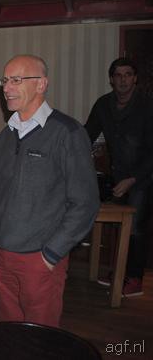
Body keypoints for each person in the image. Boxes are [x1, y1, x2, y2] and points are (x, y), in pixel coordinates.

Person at [0, 55, 99, 327]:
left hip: (40, 259)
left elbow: (85, 203)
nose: (6, 88)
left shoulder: (67, 132)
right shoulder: (6, 135)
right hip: (1, 254)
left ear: (41, 84)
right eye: (5, 80)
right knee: (9, 333)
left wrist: (51, 254)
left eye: (16, 80)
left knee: (39, 338)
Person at [84, 58, 153, 297]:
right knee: (121, 227)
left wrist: (132, 179)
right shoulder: (103, 104)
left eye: (128, 74)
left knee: (136, 228)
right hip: (117, 175)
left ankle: (134, 279)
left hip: (143, 177)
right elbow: (86, 135)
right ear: (111, 79)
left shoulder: (147, 105)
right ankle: (120, 272)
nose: (123, 79)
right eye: (118, 75)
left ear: (135, 78)